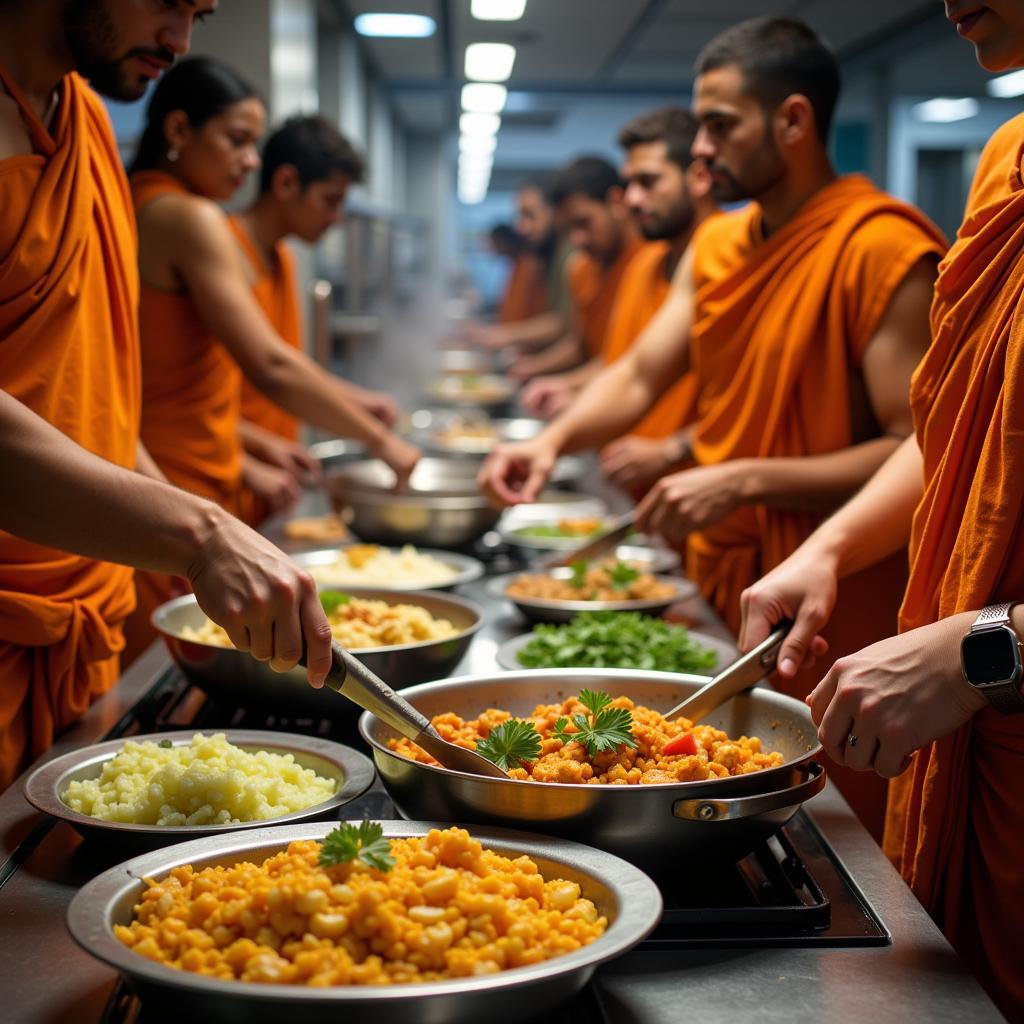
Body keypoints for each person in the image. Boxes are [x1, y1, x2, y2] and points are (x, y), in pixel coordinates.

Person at [479, 16, 946, 839]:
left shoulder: (880, 248)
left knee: (829, 818)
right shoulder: (721, 241)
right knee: (700, 778)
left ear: (793, 121)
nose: (704, 148)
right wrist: (550, 442)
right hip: (725, 569)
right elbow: (637, 373)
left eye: (722, 124)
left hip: (838, 587)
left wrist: (745, 476)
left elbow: (918, 446)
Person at [737, 3, 1024, 1016]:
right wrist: (827, 548)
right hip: (983, 747)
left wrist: (982, 653)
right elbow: (952, 428)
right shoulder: (1005, 157)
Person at [0, 0, 333, 790]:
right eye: (166, 1)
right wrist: (197, 531)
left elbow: (97, 397)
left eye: (200, 15)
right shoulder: (172, 207)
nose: (179, 41)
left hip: (89, 595)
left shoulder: (81, 121)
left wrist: (180, 523)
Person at [123, 58, 420, 659]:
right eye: (237, 140)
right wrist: (383, 444)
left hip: (191, 483)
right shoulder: (187, 216)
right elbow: (268, 368)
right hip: (174, 487)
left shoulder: (144, 206)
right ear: (178, 131)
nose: (250, 161)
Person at [524, 108, 718, 473]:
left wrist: (675, 448)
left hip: (702, 485)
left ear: (699, 176)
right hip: (631, 479)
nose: (630, 200)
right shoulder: (645, 265)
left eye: (648, 182)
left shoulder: (735, 257)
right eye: (630, 184)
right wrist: (568, 402)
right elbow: (626, 370)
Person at [229, 114, 399, 524]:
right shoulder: (222, 253)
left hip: (268, 483)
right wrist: (377, 440)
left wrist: (357, 400)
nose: (337, 217)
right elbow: (197, 399)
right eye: (329, 200)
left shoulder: (284, 258)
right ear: (287, 184)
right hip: (220, 481)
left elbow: (289, 363)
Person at [511, 155, 644, 385]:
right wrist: (537, 371)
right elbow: (582, 346)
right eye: (569, 228)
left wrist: (565, 384)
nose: (577, 239)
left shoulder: (649, 261)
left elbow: (635, 363)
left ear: (616, 202)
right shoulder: (580, 269)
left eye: (584, 222)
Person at [460, 175, 574, 353]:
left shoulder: (569, 257)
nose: (522, 227)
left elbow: (563, 323)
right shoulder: (544, 258)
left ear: (557, 213)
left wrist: (502, 335)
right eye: (520, 217)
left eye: (530, 215)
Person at [489, 223, 548, 324]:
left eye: (494, 242)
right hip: (512, 333)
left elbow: (528, 311)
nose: (492, 247)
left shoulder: (528, 264)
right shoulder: (515, 264)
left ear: (503, 241)